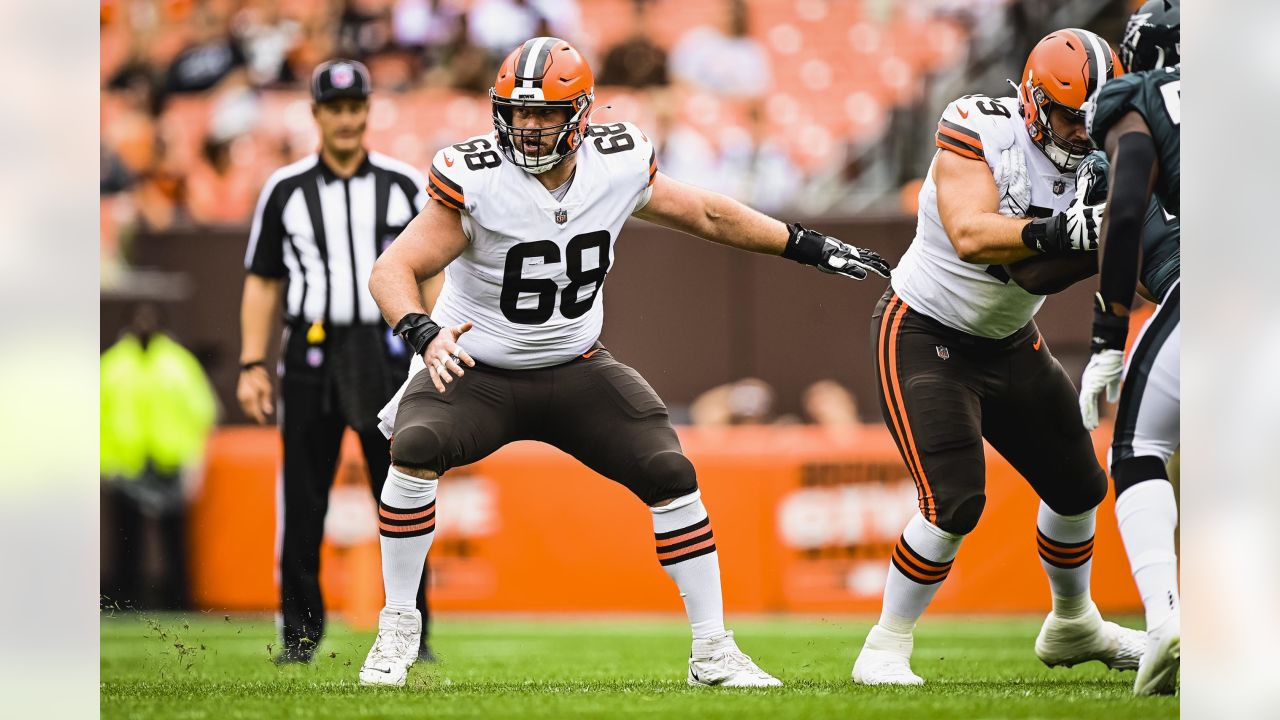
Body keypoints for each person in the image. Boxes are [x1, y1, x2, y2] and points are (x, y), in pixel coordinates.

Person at [358, 36, 890, 688]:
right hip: (476, 368)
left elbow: (709, 213)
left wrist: (806, 245)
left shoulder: (617, 163)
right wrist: (422, 333)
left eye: (544, 113)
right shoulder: (476, 177)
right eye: (517, 112)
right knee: (413, 446)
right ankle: (397, 628)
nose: (527, 127)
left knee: (670, 468)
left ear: (581, 114)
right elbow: (393, 269)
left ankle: (712, 651)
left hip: (576, 363)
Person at [849, 29, 1146, 686]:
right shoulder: (980, 125)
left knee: (1078, 488)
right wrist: (1079, 230)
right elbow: (974, 235)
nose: (1085, 131)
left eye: (1097, 114)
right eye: (1072, 114)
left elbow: (1109, 267)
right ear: (1036, 100)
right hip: (926, 331)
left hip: (1009, 340)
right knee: (953, 501)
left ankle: (1073, 623)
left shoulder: (1122, 148)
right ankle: (885, 645)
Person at [238, 59, 436, 665]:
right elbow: (263, 281)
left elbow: (431, 268)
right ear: (316, 113)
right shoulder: (286, 189)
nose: (347, 120)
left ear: (367, 111)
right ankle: (298, 637)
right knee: (303, 499)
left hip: (387, 353)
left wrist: (432, 348)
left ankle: (413, 632)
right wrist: (251, 362)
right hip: (311, 357)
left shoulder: (404, 185)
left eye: (356, 108)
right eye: (335, 109)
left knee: (403, 494)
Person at [1077, 0, 1181, 696]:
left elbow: (1124, 212)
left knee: (1139, 447)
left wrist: (1108, 339)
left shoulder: (1141, 98)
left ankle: (1167, 620)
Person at [101, 303, 218, 611]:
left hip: (169, 461)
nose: (144, 324)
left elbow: (202, 412)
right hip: (127, 463)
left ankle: (180, 599)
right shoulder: (113, 365)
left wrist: (195, 462)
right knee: (127, 540)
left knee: (175, 540)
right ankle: (125, 602)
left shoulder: (178, 364)